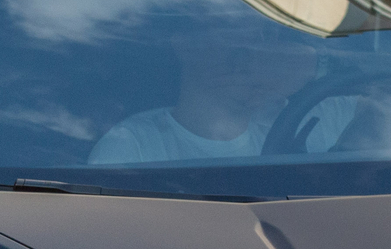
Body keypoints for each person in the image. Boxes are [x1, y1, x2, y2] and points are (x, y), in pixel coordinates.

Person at [88, 19, 353, 163]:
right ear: (185, 46)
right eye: (234, 36)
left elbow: (389, 85)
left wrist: (319, 64)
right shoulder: (132, 148)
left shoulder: (305, 117)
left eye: (261, 40)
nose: (252, 54)